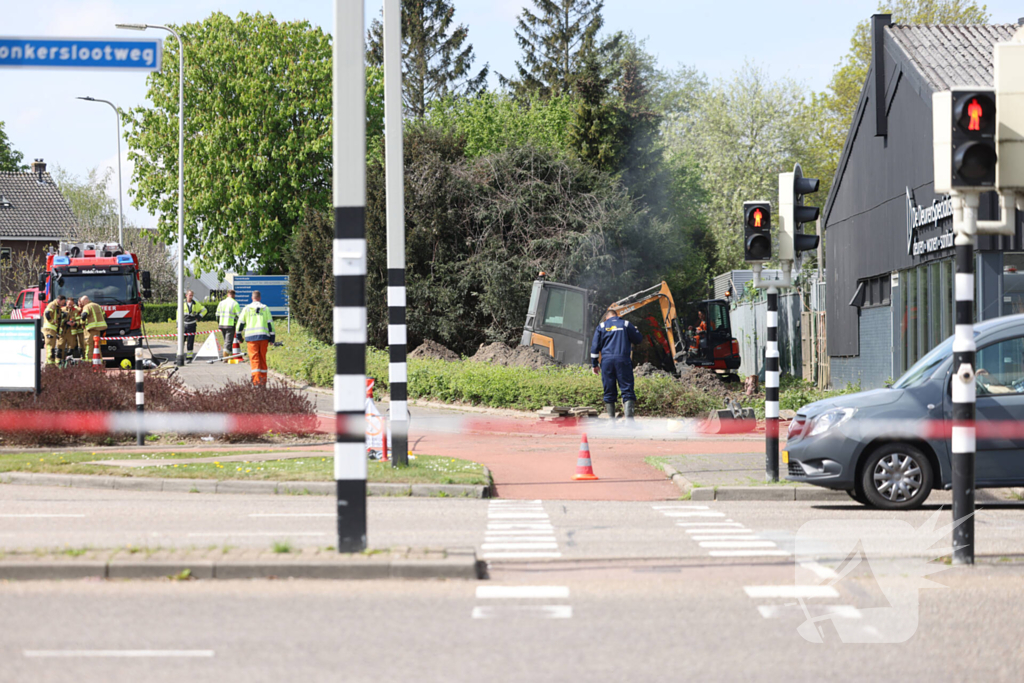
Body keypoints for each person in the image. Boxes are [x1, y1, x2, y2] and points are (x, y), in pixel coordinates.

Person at [591, 309, 643, 422]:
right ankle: (629, 422)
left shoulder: (601, 326)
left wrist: (594, 364)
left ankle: (611, 422)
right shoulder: (626, 324)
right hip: (623, 360)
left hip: (606, 362)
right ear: (617, 316)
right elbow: (639, 339)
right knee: (627, 388)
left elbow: (595, 347)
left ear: (606, 317)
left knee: (609, 389)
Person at [235, 290, 274, 387]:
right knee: (262, 359)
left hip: (251, 339)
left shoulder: (246, 309)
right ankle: (263, 382)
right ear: (260, 298)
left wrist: (239, 336)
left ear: (252, 298)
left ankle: (256, 382)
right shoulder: (265, 309)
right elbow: (270, 324)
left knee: (254, 359)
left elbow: (240, 324)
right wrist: (272, 338)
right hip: (264, 337)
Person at [178, 290, 208, 363]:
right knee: (181, 342)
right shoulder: (182, 304)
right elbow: (178, 315)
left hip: (192, 325)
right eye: (189, 295)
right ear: (186, 295)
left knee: (190, 342)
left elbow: (205, 310)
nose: (190, 297)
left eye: (192, 295)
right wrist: (177, 325)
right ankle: (178, 357)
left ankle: (189, 357)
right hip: (183, 325)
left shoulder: (196, 304)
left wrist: (198, 316)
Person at [78, 295, 107, 362]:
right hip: (98, 330)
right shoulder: (97, 305)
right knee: (97, 346)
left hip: (90, 330)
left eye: (82, 302)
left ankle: (89, 362)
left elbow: (84, 315)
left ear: (86, 301)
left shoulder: (87, 306)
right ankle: (99, 362)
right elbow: (104, 315)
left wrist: (82, 322)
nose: (82, 304)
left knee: (89, 346)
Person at [216, 290, 241, 362]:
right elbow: (240, 316)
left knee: (227, 341)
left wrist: (219, 323)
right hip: (230, 325)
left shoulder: (221, 303)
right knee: (228, 342)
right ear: (234, 295)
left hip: (222, 325)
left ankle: (230, 358)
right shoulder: (235, 303)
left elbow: (217, 315)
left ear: (227, 295)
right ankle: (225, 358)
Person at [42, 295, 67, 366]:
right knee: (50, 347)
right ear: (59, 300)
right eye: (63, 302)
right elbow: (47, 314)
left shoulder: (58, 308)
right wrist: (52, 321)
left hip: (53, 330)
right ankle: (49, 365)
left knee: (52, 347)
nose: (63, 304)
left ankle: (51, 364)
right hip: (49, 329)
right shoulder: (52, 305)